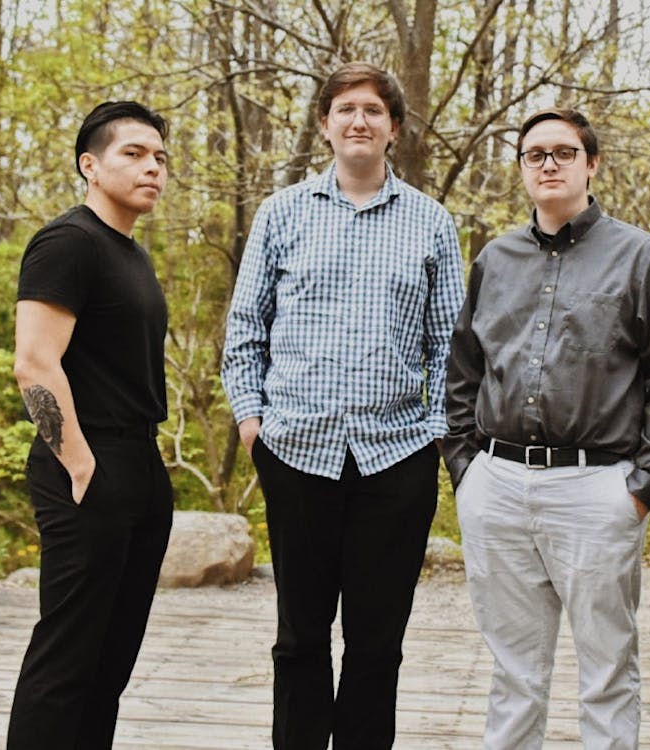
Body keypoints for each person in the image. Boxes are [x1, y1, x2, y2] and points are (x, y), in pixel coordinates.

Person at [221, 62, 464, 749]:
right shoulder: (282, 213)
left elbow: (450, 345)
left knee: (376, 643)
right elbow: (245, 332)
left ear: (393, 128)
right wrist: (252, 425)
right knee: (299, 637)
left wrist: (438, 437)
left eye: (374, 110)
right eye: (345, 108)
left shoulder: (431, 224)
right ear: (324, 124)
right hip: (296, 451)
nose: (359, 120)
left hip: (396, 459)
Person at [444, 108, 650, 749]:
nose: (548, 164)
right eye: (535, 154)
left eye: (563, 152)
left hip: (597, 488)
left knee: (607, 671)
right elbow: (463, 371)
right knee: (513, 671)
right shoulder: (494, 260)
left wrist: (641, 486)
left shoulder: (640, 257)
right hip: (495, 485)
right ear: (523, 168)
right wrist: (465, 468)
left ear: (592, 163)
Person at [8, 101, 174, 748]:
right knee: (66, 663)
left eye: (160, 156)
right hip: (87, 465)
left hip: (139, 463)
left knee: (109, 668)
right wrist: (81, 463)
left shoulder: (131, 255)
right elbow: (34, 364)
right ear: (90, 164)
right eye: (133, 153)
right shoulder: (67, 243)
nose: (152, 166)